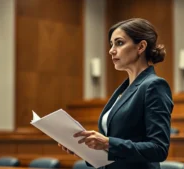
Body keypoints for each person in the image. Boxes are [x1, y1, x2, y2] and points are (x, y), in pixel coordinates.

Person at [59, 18, 173, 169]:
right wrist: (84, 149)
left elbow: (159, 149)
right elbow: (114, 150)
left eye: (119, 43)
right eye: (111, 44)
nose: (111, 50)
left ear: (141, 47)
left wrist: (108, 142)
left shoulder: (154, 86)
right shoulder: (122, 89)